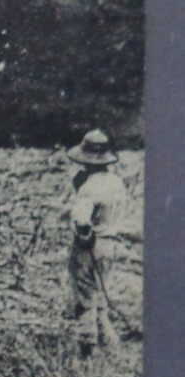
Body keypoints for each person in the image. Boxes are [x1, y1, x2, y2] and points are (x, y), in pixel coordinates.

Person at [63, 129, 133, 358]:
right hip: (112, 243)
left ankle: (87, 348)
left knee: (85, 298)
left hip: (91, 245)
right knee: (100, 295)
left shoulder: (89, 187)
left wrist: (85, 236)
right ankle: (112, 346)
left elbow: (82, 220)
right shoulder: (116, 183)